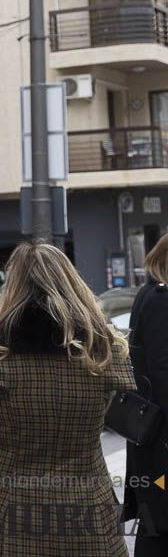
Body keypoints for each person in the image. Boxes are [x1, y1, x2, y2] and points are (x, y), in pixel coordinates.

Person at [0, 241, 135, 557]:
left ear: (12, 287)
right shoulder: (101, 350)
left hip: (9, 504)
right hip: (86, 503)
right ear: (73, 284)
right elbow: (100, 418)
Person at [124, 232, 168, 556]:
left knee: (157, 522)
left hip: (152, 432)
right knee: (159, 524)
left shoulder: (149, 294)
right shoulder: (160, 300)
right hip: (161, 438)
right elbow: (162, 370)